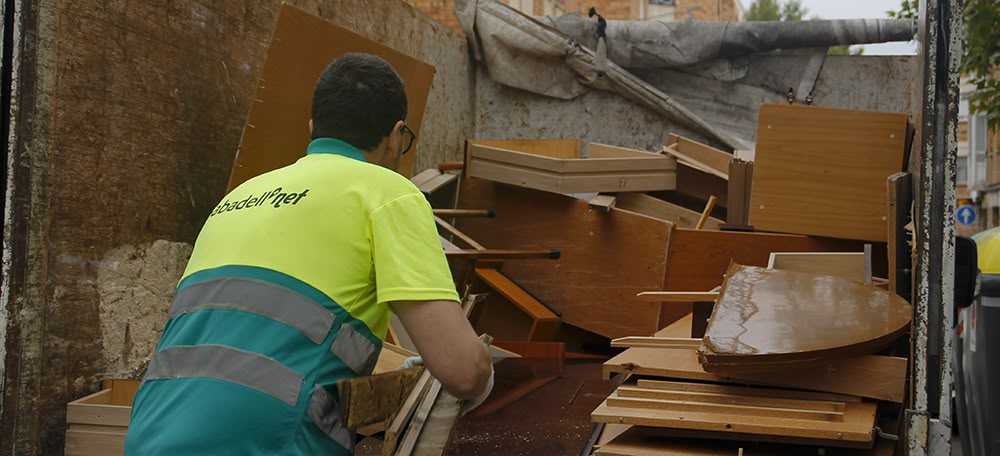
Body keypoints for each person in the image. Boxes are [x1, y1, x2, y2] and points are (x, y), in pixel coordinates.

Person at [124, 53, 493, 455]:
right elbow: (461, 371)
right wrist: (484, 373)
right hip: (268, 442)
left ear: (313, 127)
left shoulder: (236, 198)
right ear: (396, 135)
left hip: (149, 434)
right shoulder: (386, 194)